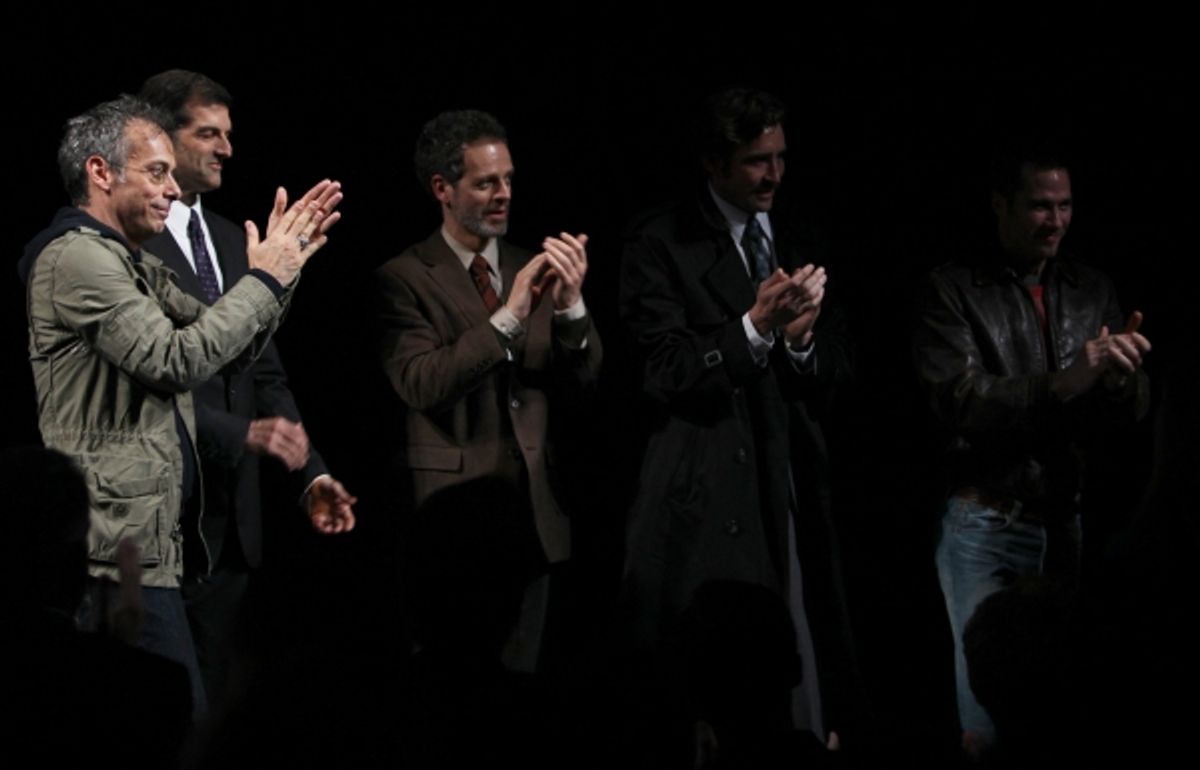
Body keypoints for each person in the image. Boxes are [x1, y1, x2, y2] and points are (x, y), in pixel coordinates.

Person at [19, 93, 342, 714]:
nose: (173, 190)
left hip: (154, 543)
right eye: (157, 172)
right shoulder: (78, 257)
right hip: (113, 550)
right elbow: (176, 360)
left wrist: (284, 265)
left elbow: (228, 347)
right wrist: (264, 280)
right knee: (169, 716)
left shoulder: (130, 261)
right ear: (100, 171)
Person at [619, 87, 859, 740]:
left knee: (802, 640)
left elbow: (839, 367)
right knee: (722, 667)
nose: (774, 174)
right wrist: (752, 327)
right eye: (756, 161)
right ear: (713, 163)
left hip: (790, 476)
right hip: (708, 482)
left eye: (780, 157)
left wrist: (802, 340)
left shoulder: (803, 229)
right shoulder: (662, 240)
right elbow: (664, 371)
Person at [912, 148, 1151, 754]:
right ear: (1001, 205)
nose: (1056, 220)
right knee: (986, 722)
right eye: (1040, 205)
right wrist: (1064, 382)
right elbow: (959, 398)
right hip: (985, 519)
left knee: (1058, 714)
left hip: (1063, 521)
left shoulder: (1090, 287)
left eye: (1065, 205)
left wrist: (1123, 382)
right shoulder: (953, 288)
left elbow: (1124, 414)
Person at [138, 69, 356, 710]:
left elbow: (264, 373)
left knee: (221, 716)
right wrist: (240, 435)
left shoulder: (238, 240)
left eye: (228, 135)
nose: (227, 150)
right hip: (156, 523)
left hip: (234, 530)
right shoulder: (129, 241)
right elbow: (149, 379)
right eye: (208, 134)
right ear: (160, 138)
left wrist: (311, 474)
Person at [377, 109, 601, 672]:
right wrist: (510, 315)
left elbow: (587, 383)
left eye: (508, 180)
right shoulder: (404, 277)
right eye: (485, 183)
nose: (503, 194)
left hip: (533, 518)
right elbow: (421, 382)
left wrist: (572, 306)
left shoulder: (533, 265)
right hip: (451, 523)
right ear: (442, 189)